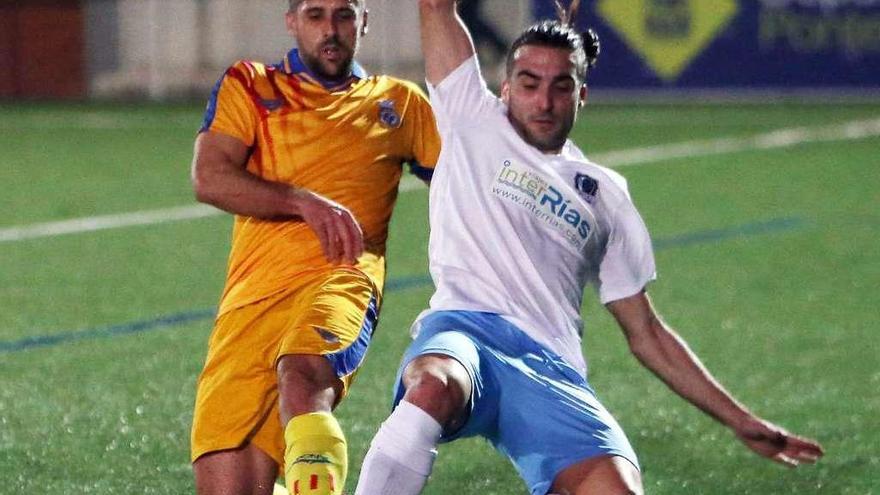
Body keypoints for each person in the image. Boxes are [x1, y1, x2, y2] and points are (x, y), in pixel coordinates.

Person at [354, 1, 824, 494]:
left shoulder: (607, 195)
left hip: (551, 368)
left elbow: (647, 333)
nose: (544, 101)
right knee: (431, 385)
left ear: (582, 96)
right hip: (465, 334)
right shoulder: (469, 115)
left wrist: (737, 418)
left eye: (561, 87)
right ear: (507, 87)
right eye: (530, 84)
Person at [188, 0, 440, 494]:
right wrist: (300, 201)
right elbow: (209, 177)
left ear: (364, 22)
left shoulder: (399, 104)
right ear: (292, 21)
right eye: (315, 15)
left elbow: (471, 183)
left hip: (342, 277)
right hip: (251, 301)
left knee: (301, 374)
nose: (331, 30)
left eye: (344, 15)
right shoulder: (252, 85)